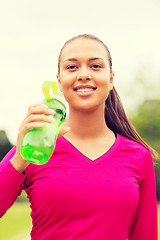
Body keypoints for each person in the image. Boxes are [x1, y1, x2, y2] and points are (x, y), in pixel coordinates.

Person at [0, 34, 158, 240]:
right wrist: (19, 159)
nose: (83, 74)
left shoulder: (138, 156)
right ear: (59, 81)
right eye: (72, 67)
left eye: (95, 66)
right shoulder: (35, 146)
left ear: (111, 79)